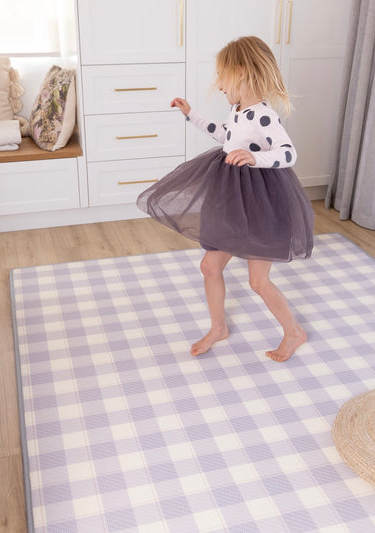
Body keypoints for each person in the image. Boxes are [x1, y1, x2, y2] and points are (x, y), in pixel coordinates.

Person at [137, 36, 314, 362]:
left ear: (241, 72)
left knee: (258, 281)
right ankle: (218, 328)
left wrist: (254, 158)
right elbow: (225, 135)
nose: (218, 84)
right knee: (209, 265)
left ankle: (294, 333)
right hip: (234, 200)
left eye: (221, 76)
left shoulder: (263, 115)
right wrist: (191, 115)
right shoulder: (238, 110)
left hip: (262, 205)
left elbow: (288, 152)